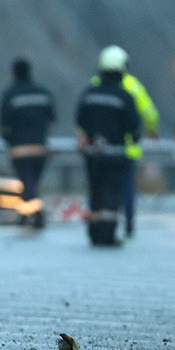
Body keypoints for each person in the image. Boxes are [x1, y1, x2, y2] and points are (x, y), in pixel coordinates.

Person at [75, 52, 142, 247]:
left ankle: (94, 232)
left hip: (92, 154)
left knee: (95, 192)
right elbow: (134, 126)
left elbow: (80, 119)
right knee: (112, 194)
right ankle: (108, 233)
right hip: (115, 153)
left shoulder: (89, 93)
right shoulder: (124, 96)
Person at [92, 45, 158, 237]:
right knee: (127, 187)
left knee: (100, 187)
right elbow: (149, 114)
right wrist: (152, 131)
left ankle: (101, 224)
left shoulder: (96, 85)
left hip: (98, 148)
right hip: (127, 148)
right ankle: (128, 222)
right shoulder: (132, 86)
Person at [0, 58, 56, 228]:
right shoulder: (43, 93)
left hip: (19, 148)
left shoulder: (10, 94)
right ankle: (25, 214)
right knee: (32, 182)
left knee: (27, 182)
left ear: (14, 73)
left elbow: (4, 123)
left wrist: (9, 140)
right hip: (39, 146)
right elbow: (52, 117)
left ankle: (36, 212)